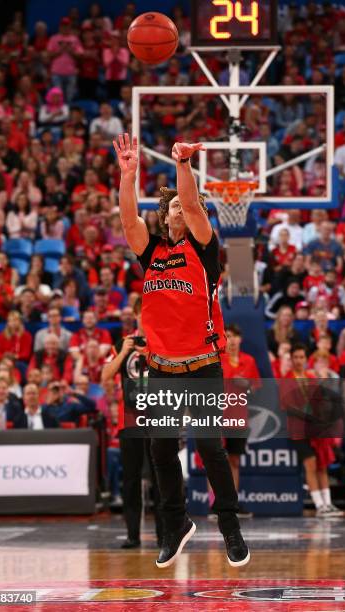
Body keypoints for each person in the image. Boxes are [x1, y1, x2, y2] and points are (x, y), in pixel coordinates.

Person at [113, 133, 249, 569]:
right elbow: (128, 221)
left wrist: (183, 164)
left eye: (188, 208)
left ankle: (229, 524)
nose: (184, 210)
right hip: (162, 368)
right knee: (160, 448)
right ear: (164, 216)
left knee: (210, 446)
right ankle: (175, 525)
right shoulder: (151, 252)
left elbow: (192, 205)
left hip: (203, 364)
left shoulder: (204, 248)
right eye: (173, 207)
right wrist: (128, 175)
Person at [102, 297, 162, 549]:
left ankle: (165, 535)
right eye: (140, 313)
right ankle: (132, 534)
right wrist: (125, 351)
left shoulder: (162, 340)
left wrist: (149, 352)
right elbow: (105, 375)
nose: (143, 317)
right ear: (136, 316)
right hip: (130, 420)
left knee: (161, 478)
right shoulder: (121, 343)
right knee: (131, 479)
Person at [281, 344, 344, 517]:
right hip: (298, 430)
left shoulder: (311, 377)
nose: (299, 360)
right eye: (296, 357)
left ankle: (328, 504)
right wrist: (309, 417)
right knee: (310, 464)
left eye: (302, 357)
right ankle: (319, 505)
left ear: (306, 359)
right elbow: (288, 407)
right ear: (291, 359)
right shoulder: (286, 378)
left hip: (316, 430)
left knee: (322, 465)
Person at [220, 324, 260, 518]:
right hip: (217, 417)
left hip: (238, 417)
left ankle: (232, 504)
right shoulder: (217, 359)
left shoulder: (249, 361)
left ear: (240, 339)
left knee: (234, 460)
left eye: (235, 336)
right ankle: (216, 503)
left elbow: (256, 389)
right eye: (228, 336)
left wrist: (247, 386)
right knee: (216, 460)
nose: (232, 340)